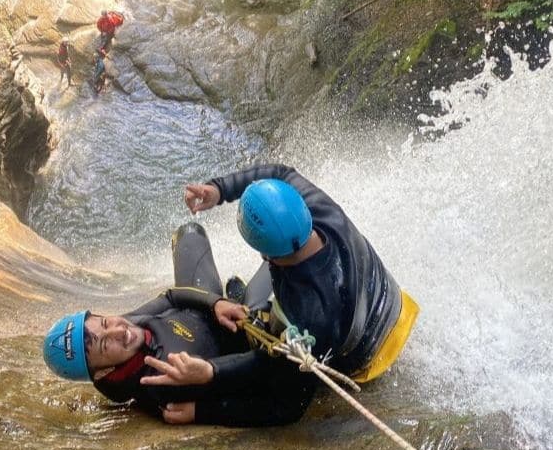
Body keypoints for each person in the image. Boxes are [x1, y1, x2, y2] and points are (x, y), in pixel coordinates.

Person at [141, 164, 418, 392]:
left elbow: (278, 381)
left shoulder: (311, 314)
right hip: (392, 307)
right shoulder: (320, 210)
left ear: (265, 253)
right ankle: (254, 306)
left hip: (366, 356)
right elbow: (279, 174)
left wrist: (212, 374)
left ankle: (253, 309)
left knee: (246, 308)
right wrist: (220, 189)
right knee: (260, 298)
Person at [42, 222, 313, 426]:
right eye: (104, 344)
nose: (117, 329)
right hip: (244, 333)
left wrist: (215, 303)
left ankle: (231, 297)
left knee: (190, 233)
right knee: (287, 257)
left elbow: (171, 296)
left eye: (103, 321)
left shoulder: (124, 327)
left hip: (207, 311)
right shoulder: (167, 379)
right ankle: (248, 297)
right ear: (102, 373)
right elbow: (284, 405)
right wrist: (204, 403)